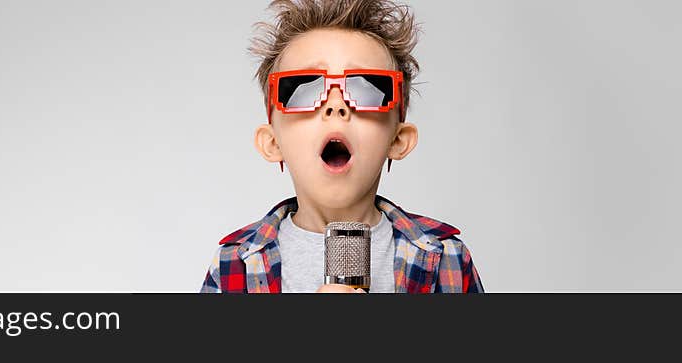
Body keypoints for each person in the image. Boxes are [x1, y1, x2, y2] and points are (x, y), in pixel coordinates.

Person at [200, 0, 484, 293]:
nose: (336, 106)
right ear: (272, 143)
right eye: (302, 88)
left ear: (399, 141)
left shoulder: (446, 258)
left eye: (367, 89)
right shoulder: (235, 263)